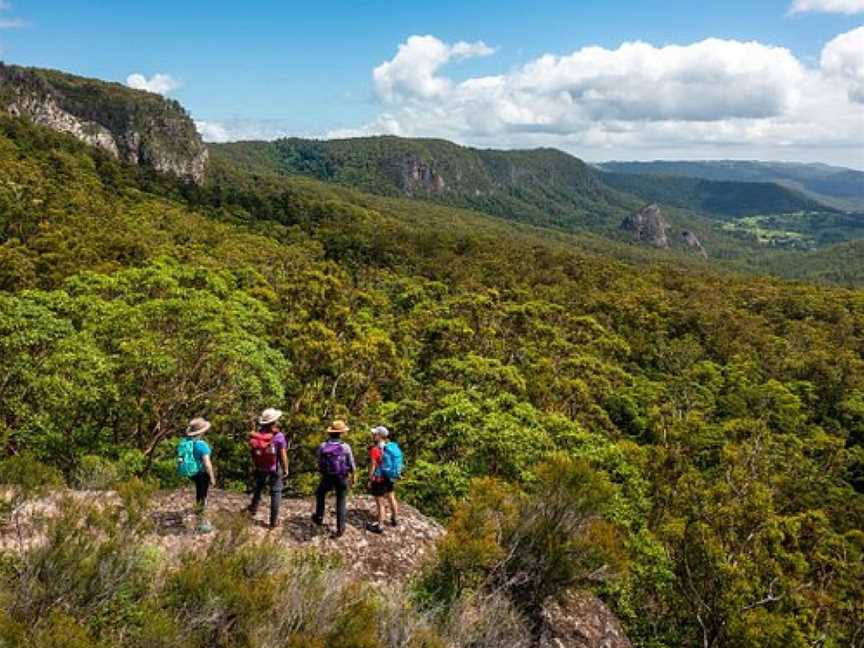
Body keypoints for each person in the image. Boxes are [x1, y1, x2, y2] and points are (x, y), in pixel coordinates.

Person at [311, 419, 356, 538]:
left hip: (327, 476)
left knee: (320, 493)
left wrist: (322, 472)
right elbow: (351, 463)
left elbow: (319, 461)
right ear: (341, 433)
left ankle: (319, 517)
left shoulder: (323, 446)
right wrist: (353, 476)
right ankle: (340, 527)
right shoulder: (345, 447)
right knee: (341, 500)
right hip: (341, 477)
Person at [246, 407, 289, 529]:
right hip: (274, 469)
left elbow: (253, 451)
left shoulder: (257, 434)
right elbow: (283, 454)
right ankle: (273, 521)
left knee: (258, 488)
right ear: (274, 422)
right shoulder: (278, 436)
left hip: (260, 467)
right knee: (276, 492)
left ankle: (253, 509)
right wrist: (286, 468)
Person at [176, 417, 215, 534]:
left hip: (192, 473)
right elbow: (207, 464)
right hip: (202, 474)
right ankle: (201, 523)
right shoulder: (202, 445)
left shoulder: (187, 441)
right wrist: (212, 477)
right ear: (202, 431)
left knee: (199, 493)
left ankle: (199, 514)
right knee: (202, 496)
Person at [365, 425, 401, 534]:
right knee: (391, 497)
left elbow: (373, 466)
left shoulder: (375, 450)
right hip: (389, 477)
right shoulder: (390, 447)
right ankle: (395, 519)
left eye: (375, 434)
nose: (373, 435)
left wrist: (370, 479)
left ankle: (380, 526)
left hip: (379, 479)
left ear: (380, 436)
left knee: (380, 503)